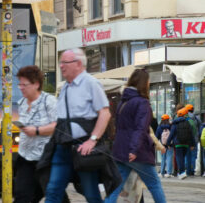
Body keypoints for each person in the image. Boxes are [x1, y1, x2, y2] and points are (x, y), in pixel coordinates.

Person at [45, 48, 112, 203]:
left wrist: (93, 140)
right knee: (53, 190)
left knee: (90, 194)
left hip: (83, 148)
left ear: (78, 64)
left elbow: (105, 113)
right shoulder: (65, 87)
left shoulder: (91, 83)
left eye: (65, 62)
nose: (61, 66)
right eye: (60, 62)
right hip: (62, 147)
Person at [104, 69, 167, 203]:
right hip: (137, 152)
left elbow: (120, 128)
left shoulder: (123, 102)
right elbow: (141, 128)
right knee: (154, 184)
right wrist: (134, 149)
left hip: (120, 152)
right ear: (144, 84)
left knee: (116, 187)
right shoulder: (142, 103)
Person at [14, 65, 63, 203]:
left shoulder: (49, 101)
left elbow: (59, 126)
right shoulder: (22, 103)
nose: (21, 88)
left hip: (46, 158)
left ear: (36, 84)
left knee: (53, 194)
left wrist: (36, 130)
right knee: (22, 196)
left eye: (24, 84)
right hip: (25, 156)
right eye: (19, 84)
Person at [166, 107, 194, 180]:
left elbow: (171, 134)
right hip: (186, 143)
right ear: (185, 115)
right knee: (183, 157)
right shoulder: (188, 123)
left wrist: (168, 143)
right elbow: (191, 134)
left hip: (178, 143)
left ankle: (181, 172)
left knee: (179, 158)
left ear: (178, 115)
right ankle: (181, 172)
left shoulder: (175, 123)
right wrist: (192, 144)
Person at [184, 104, 200, 176]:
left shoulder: (184, 118)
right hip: (194, 140)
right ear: (192, 109)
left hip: (186, 140)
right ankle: (192, 170)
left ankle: (187, 170)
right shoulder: (196, 118)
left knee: (187, 155)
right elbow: (199, 128)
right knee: (193, 155)